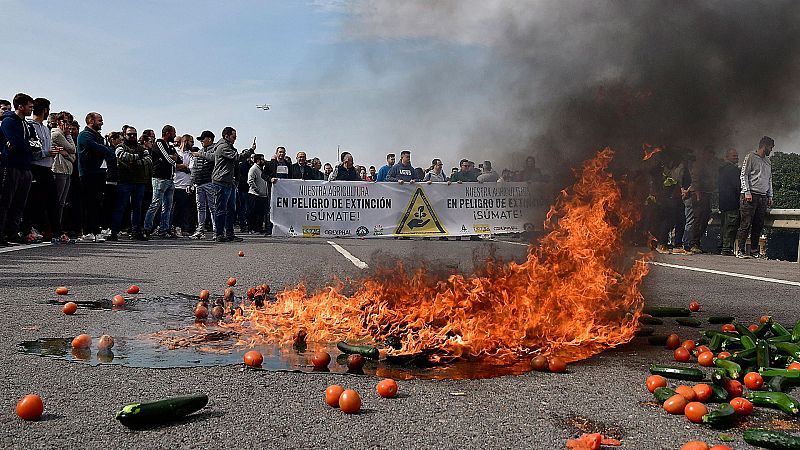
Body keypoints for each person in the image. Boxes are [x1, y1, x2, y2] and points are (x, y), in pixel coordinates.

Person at [194, 126, 254, 242]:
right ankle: (219, 234)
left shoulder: (226, 146)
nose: (235, 139)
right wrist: (250, 151)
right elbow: (237, 157)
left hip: (229, 182)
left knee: (231, 209)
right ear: (226, 136)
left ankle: (230, 234)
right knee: (221, 209)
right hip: (221, 181)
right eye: (233, 136)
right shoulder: (223, 147)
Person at [0, 93, 38, 246]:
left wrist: (28, 145)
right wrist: (28, 145)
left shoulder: (28, 125)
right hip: (11, 165)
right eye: (29, 107)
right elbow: (16, 143)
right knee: (5, 201)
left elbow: (36, 143)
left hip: (26, 167)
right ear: (21, 106)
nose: (31, 109)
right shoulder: (8, 122)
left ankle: (12, 233)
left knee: (19, 203)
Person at [26, 97, 63, 242]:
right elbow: (31, 149)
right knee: (34, 201)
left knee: (53, 201)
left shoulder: (46, 129)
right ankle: (31, 229)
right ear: (45, 110)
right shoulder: (30, 126)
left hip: (48, 168)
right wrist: (46, 153)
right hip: (35, 167)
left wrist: (51, 152)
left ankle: (55, 231)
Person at [76, 112, 115, 242]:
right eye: (100, 120)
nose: (102, 123)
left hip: (100, 173)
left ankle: (95, 231)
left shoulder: (99, 137)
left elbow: (110, 152)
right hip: (88, 174)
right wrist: (103, 150)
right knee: (88, 203)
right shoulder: (84, 135)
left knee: (97, 203)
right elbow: (98, 148)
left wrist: (103, 149)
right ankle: (87, 232)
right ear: (91, 121)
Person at [736, 136, 774, 259]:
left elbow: (769, 179)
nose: (771, 150)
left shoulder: (768, 161)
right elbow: (744, 175)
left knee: (758, 224)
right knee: (746, 223)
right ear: (764, 146)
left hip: (762, 196)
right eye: (770, 147)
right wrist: (747, 191)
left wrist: (770, 195)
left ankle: (753, 250)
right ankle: (740, 250)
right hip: (750, 194)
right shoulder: (750, 157)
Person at [110, 127, 151, 241]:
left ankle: (136, 231)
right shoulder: (120, 147)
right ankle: (114, 232)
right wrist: (138, 158)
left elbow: (148, 160)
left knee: (137, 208)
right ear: (125, 135)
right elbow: (122, 156)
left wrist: (134, 161)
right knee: (120, 207)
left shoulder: (142, 148)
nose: (132, 136)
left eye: (134, 134)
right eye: (130, 134)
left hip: (139, 182)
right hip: (124, 181)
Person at [143, 125, 181, 239]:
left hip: (170, 179)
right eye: (173, 133)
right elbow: (168, 159)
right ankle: (146, 229)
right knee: (155, 204)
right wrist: (173, 159)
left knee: (168, 206)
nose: (174, 135)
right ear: (168, 133)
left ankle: (164, 229)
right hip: (159, 178)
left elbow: (178, 158)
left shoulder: (170, 145)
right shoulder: (159, 143)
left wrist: (174, 159)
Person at [50, 111, 76, 242]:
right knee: (56, 202)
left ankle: (58, 229)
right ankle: (54, 230)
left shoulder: (65, 134)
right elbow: (72, 148)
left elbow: (72, 153)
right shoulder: (56, 134)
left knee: (62, 203)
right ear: (58, 121)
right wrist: (67, 136)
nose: (67, 125)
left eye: (69, 122)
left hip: (68, 170)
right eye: (64, 121)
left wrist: (68, 153)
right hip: (58, 170)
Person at [686, 146, 716, 254]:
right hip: (699, 194)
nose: (711, 156)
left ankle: (697, 242)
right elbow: (695, 179)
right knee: (698, 219)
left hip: (707, 194)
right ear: (705, 153)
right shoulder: (699, 164)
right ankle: (693, 243)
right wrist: (697, 193)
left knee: (704, 219)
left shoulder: (710, 165)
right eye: (710, 153)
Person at [190, 130, 216, 239]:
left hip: (210, 182)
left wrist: (200, 154)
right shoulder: (200, 151)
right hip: (199, 183)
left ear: (209, 139)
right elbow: (194, 169)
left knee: (213, 207)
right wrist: (191, 182)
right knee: (200, 207)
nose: (201, 141)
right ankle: (200, 230)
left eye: (202, 139)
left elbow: (214, 158)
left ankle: (216, 230)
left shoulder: (215, 149)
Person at [718, 148, 741, 256]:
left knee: (724, 226)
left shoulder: (721, 169)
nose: (736, 157)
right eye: (734, 156)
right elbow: (737, 186)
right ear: (727, 157)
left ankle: (721, 246)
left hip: (723, 202)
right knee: (730, 226)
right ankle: (726, 248)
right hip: (732, 202)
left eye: (736, 155)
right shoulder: (733, 170)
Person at [172, 134, 196, 236]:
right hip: (174, 184)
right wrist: (182, 166)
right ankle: (173, 227)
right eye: (191, 141)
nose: (193, 144)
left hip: (186, 186)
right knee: (173, 209)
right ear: (185, 141)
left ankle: (183, 228)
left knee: (185, 209)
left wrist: (181, 167)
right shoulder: (175, 152)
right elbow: (172, 166)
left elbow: (191, 168)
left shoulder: (191, 154)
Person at [247, 154, 267, 233]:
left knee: (260, 213)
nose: (264, 161)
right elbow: (250, 181)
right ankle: (251, 228)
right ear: (258, 160)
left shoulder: (261, 169)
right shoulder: (253, 169)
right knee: (253, 213)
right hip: (255, 195)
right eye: (262, 159)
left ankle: (258, 228)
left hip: (262, 195)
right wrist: (257, 190)